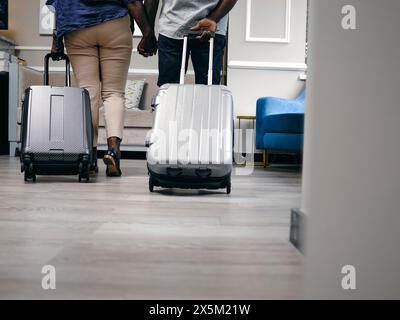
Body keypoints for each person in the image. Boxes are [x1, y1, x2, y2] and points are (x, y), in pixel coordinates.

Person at [47, 0, 157, 177]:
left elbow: (59, 3)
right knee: (114, 93)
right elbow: (135, 2)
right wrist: (148, 33)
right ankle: (113, 150)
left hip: (76, 25)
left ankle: (88, 155)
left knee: (88, 93)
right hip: (114, 24)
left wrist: (56, 38)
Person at [140, 0, 238, 86]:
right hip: (181, 28)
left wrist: (147, 34)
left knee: (170, 89)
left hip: (177, 25)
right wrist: (212, 19)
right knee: (208, 90)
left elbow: (151, 1)